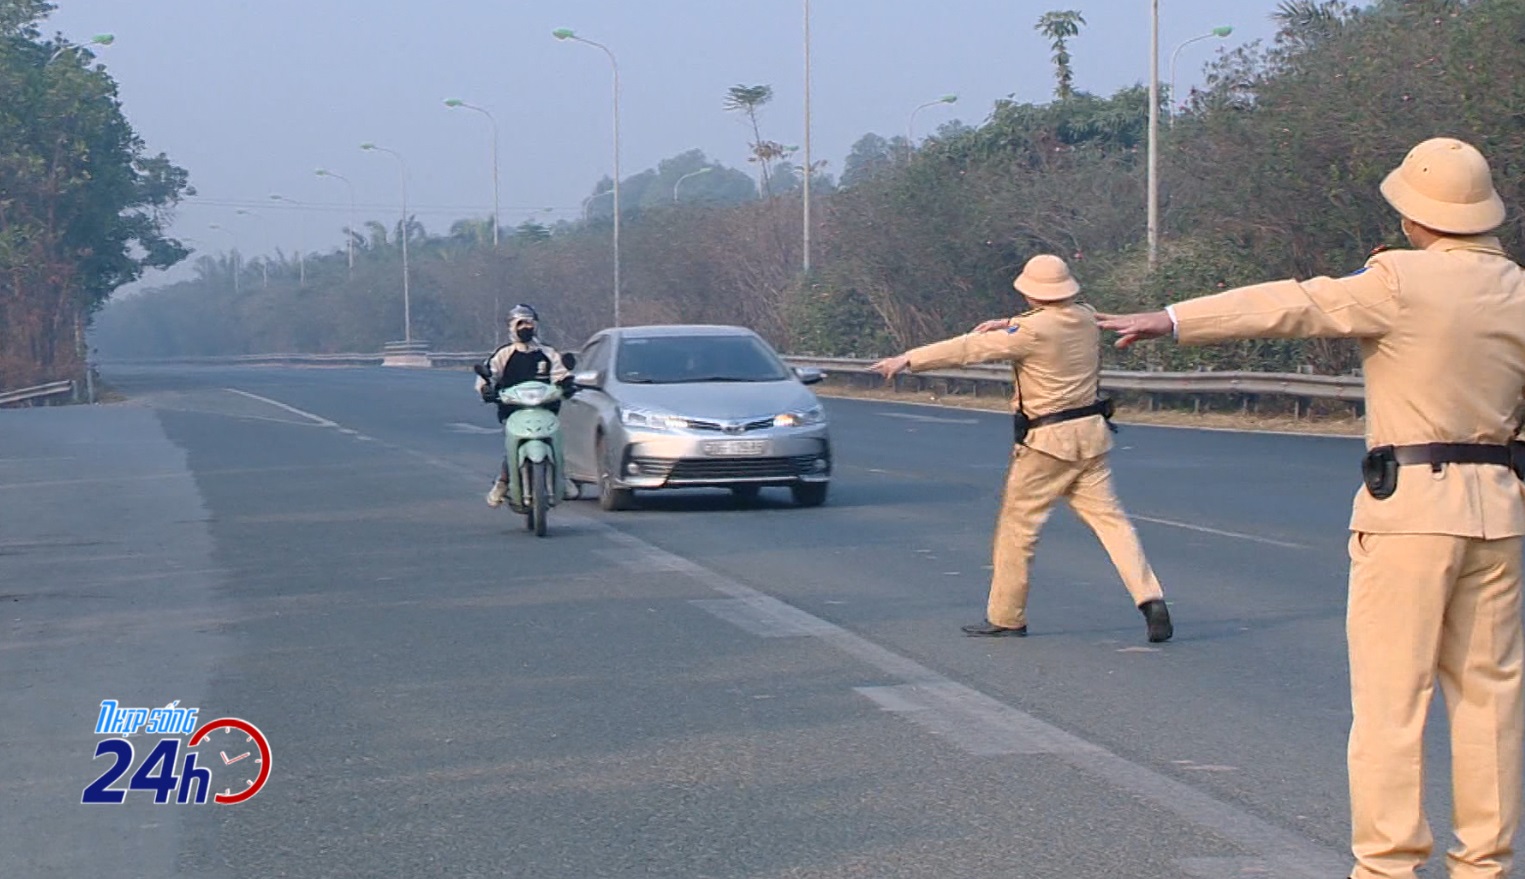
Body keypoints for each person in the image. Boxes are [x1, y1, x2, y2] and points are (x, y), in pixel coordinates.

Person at [1097, 137, 1525, 879]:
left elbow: (1290, 303)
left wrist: (1173, 317)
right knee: (1490, 701)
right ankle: (1483, 865)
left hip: (1410, 508)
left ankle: (1389, 866)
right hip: (1498, 506)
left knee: (1393, 702)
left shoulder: (1396, 278)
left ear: (1415, 215)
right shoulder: (1516, 287)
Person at [870, 254, 1172, 643]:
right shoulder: (1084, 316)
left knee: (1018, 528)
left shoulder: (1031, 332)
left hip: (1047, 444)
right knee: (1113, 524)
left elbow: (968, 349)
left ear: (1031, 292)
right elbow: (1045, 324)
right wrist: (1008, 324)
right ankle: (1150, 598)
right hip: (1091, 436)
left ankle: (1006, 615)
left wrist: (908, 359)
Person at [475, 303, 574, 507]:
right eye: (520, 323)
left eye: (529, 323)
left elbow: (561, 373)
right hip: (513, 410)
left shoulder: (548, 353)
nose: (525, 328)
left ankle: (562, 476)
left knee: (556, 440)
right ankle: (503, 482)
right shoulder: (504, 354)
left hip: (546, 408)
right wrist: (485, 388)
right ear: (512, 327)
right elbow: (488, 374)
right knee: (511, 444)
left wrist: (567, 383)